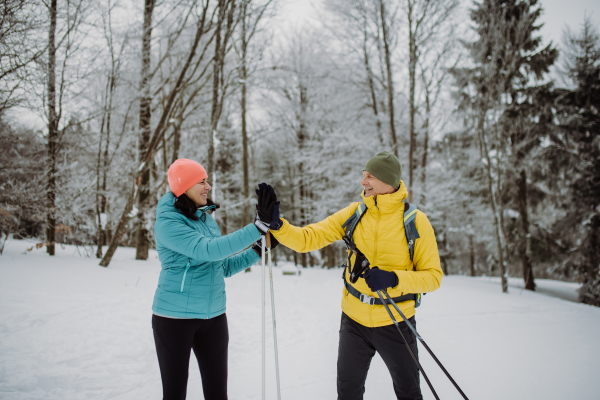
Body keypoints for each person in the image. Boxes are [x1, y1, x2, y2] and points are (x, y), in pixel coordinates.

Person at [255, 151, 443, 400]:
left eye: (369, 177)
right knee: (347, 393)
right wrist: (279, 225)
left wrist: (394, 279)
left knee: (409, 393)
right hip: (354, 321)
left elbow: (433, 277)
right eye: (363, 175)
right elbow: (308, 238)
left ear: (388, 182)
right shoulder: (355, 213)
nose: (362, 182)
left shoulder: (415, 222)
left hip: (396, 322)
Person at [152, 158, 277, 400]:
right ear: (183, 186)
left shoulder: (205, 218)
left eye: (207, 180)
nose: (208, 186)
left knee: (218, 394)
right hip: (174, 319)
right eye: (201, 181)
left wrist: (257, 251)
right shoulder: (168, 222)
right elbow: (209, 250)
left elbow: (221, 266)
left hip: (214, 318)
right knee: (175, 394)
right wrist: (257, 227)